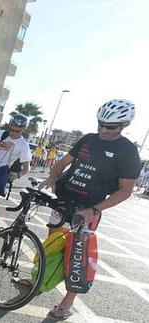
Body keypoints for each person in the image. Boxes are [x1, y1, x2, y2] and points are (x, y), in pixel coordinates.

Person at [40, 99, 141, 320]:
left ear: (124, 125)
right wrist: (52, 176)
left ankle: (67, 303)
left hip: (88, 210)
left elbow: (125, 191)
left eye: (110, 127)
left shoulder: (128, 151)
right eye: (100, 124)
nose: (103, 130)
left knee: (77, 257)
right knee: (51, 245)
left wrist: (93, 211)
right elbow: (64, 160)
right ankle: (38, 278)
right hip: (63, 200)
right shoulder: (88, 139)